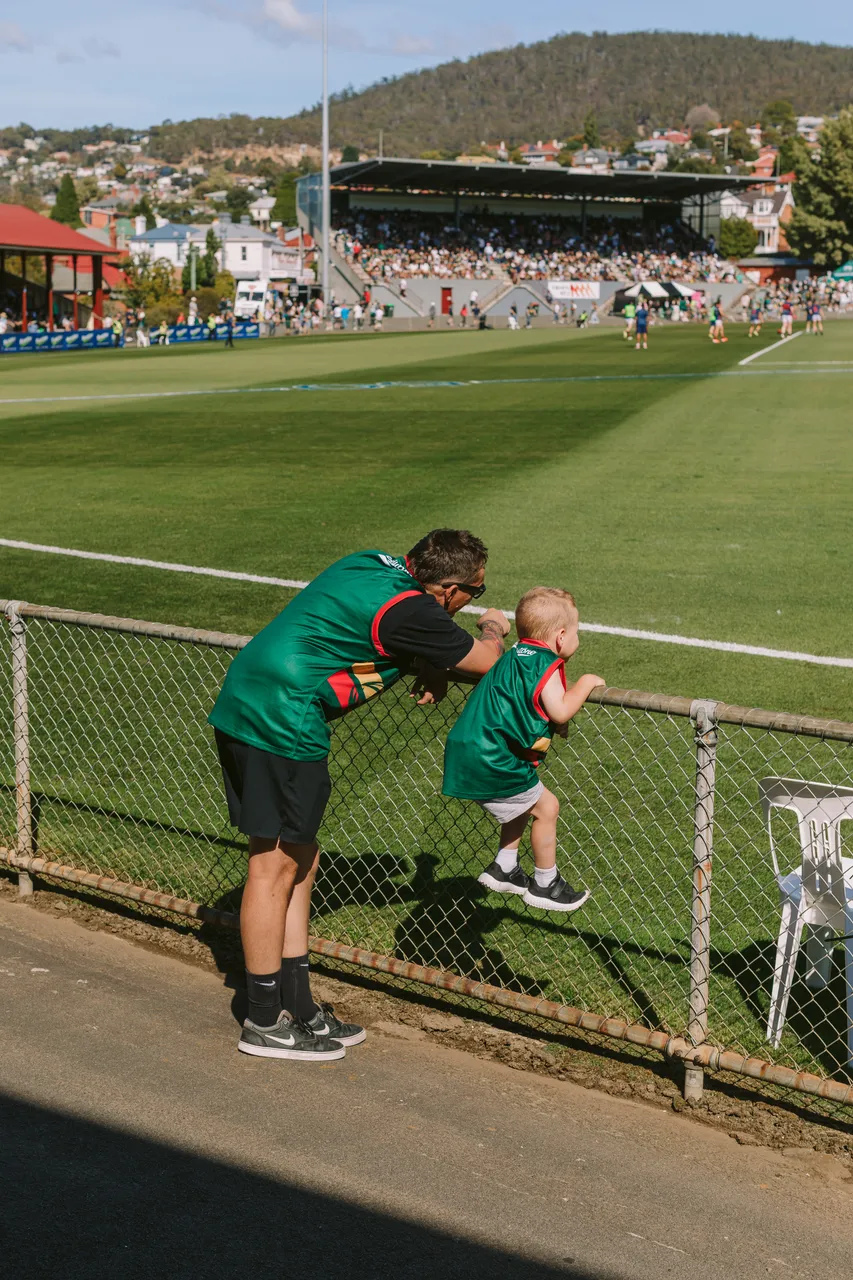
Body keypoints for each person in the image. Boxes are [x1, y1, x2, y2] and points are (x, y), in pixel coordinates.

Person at [209, 530, 510, 1061]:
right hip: (283, 719)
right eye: (474, 594)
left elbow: (381, 633)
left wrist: (431, 662)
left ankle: (297, 1006)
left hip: (254, 700)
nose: (476, 603)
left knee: (301, 857)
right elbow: (488, 663)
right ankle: (262, 1020)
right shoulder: (415, 610)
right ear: (447, 589)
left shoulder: (369, 562)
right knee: (272, 865)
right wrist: (492, 627)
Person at [442, 587, 604, 913]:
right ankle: (546, 883)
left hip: (469, 748)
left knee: (524, 797)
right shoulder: (547, 662)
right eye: (576, 632)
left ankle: (505, 866)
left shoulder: (515, 655)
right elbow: (558, 709)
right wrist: (585, 683)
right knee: (547, 807)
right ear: (560, 637)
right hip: (493, 757)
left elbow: (527, 705)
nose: (577, 639)